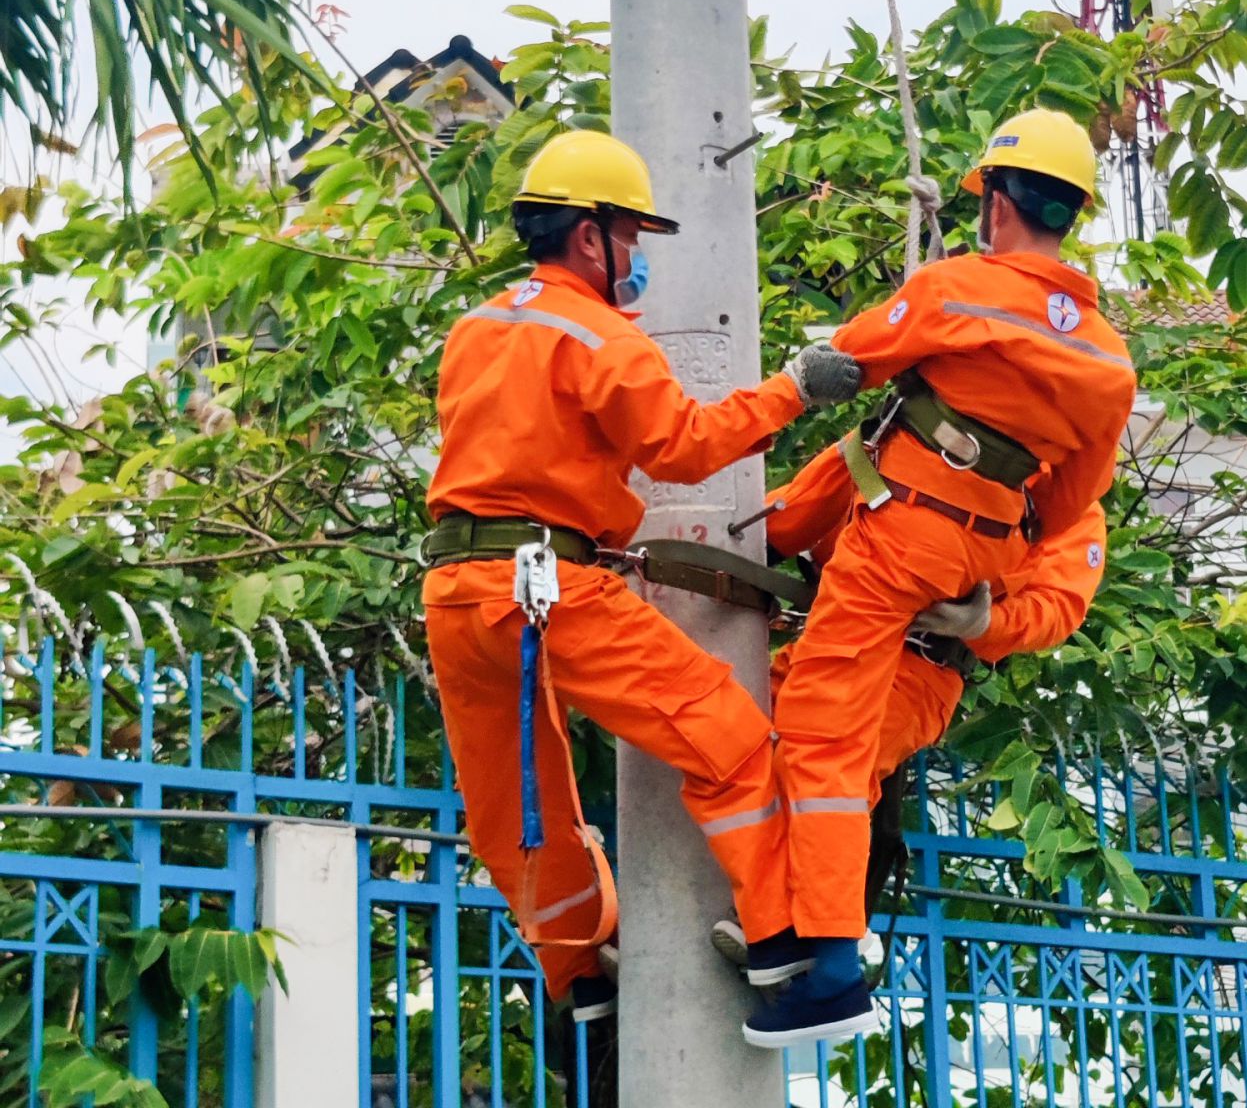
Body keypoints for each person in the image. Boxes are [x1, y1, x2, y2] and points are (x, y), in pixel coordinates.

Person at [421, 130, 862, 1027]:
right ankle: (782, 953)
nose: (638, 259)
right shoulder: (599, 334)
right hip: (545, 589)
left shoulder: (477, 329)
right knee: (728, 737)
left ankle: (579, 974)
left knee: (518, 802)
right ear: (592, 237)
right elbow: (684, 447)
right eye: (634, 237)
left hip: (456, 591)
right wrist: (795, 390)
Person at [743, 108, 1136, 1047]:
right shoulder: (1108, 358)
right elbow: (1071, 497)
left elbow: (855, 355)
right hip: (972, 545)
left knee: (820, 744)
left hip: (910, 562)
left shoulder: (956, 290)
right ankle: (795, 929)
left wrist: (800, 377)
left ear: (998, 203)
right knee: (800, 741)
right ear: (1070, 212)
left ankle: (831, 962)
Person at [711, 443, 1109, 973]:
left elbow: (1058, 605)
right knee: (727, 740)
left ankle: (819, 930)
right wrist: (735, 546)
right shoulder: (917, 432)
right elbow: (807, 503)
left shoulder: (1066, 500)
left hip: (919, 668)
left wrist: (983, 625)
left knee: (825, 768)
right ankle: (785, 920)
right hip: (838, 636)